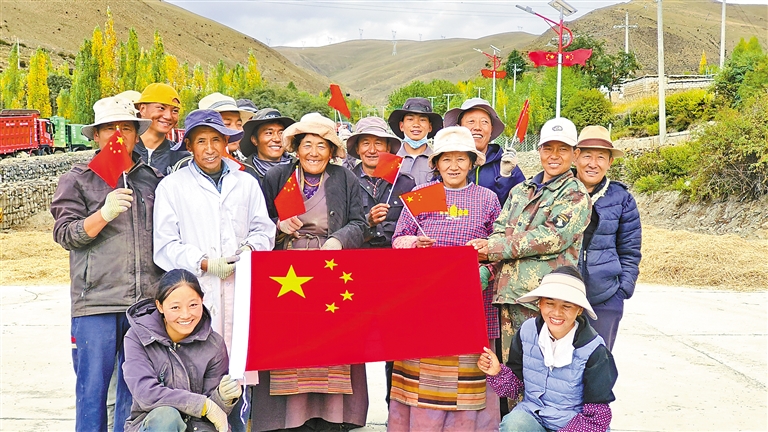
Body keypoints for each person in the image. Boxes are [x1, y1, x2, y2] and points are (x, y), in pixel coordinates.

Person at [50, 96, 162, 432]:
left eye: (126, 127)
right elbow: (65, 234)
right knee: (92, 393)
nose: (118, 135)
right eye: (109, 128)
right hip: (96, 303)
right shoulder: (78, 179)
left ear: (136, 134)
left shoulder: (152, 179)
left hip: (144, 305)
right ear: (96, 135)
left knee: (136, 391)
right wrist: (103, 213)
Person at [255, 112, 368, 432]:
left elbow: (359, 224)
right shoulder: (277, 176)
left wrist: (338, 240)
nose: (314, 152)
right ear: (296, 147)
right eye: (307, 145)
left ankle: (332, 416)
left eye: (322, 145)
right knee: (291, 345)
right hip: (285, 272)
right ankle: (289, 418)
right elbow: (257, 222)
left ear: (331, 151)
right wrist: (278, 226)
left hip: (331, 269)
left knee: (331, 347)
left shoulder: (345, 178)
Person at [388, 126, 502, 431]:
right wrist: (414, 243)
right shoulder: (421, 197)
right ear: (436, 163)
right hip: (424, 303)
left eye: (461, 159)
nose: (454, 166)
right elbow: (398, 239)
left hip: (471, 301)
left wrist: (485, 267)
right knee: (423, 374)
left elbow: (499, 246)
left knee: (467, 375)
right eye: (446, 159)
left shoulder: (488, 199)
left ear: (472, 162)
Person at [470, 117, 591, 374]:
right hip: (509, 297)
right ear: (539, 151)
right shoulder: (520, 191)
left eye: (563, 149)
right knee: (512, 371)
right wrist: (486, 259)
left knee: (543, 372)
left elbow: (552, 237)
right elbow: (499, 230)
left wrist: (493, 248)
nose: (554, 155)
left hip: (545, 301)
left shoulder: (575, 194)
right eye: (548, 148)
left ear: (575, 153)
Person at [153, 109, 275, 348]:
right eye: (201, 141)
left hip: (240, 283)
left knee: (240, 352)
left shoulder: (246, 182)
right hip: (196, 288)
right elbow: (165, 245)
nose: (209, 149)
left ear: (226, 141)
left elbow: (263, 229)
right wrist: (204, 263)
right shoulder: (172, 186)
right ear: (189, 145)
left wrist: (250, 249)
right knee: (199, 355)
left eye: (216, 139)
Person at [477, 267, 618, 432]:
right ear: (540, 303)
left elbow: (597, 415)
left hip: (575, 426)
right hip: (533, 416)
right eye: (550, 303)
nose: (557, 313)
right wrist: (497, 372)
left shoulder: (594, 350)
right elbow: (515, 388)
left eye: (567, 306)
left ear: (579, 309)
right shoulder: (527, 332)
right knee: (514, 423)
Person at [123, 269, 242, 432]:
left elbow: (214, 413)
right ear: (160, 306)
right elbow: (145, 394)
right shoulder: (137, 337)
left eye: (193, 305)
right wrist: (203, 405)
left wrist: (223, 398)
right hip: (153, 426)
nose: (185, 315)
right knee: (167, 417)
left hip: (198, 427)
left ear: (202, 301)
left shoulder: (214, 345)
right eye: (175, 307)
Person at [574, 125, 642, 350]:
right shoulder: (560, 192)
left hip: (605, 298)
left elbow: (630, 250)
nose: (593, 164)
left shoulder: (622, 198)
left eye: (601, 157)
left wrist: (622, 290)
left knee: (598, 361)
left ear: (610, 162)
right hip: (562, 297)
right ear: (576, 156)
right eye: (587, 156)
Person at [348, 116, 416, 249]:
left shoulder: (406, 183)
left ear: (388, 148)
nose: (372, 150)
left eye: (378, 143)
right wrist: (367, 221)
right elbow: (339, 228)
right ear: (357, 149)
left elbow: (415, 224)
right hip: (357, 254)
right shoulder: (346, 182)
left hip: (396, 254)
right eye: (365, 143)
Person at [444, 98, 526, 206]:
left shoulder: (507, 165)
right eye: (471, 121)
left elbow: (521, 205)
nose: (477, 127)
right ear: (458, 128)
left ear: (491, 129)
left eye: (484, 122)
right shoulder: (445, 163)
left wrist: (505, 177)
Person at [134, 83, 189, 175]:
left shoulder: (181, 157)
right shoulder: (124, 150)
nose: (168, 116)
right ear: (142, 109)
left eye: (175, 111)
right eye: (161, 108)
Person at [387, 97, 444, 185]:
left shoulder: (438, 162)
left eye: (422, 120)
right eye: (410, 119)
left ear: (430, 127)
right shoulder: (390, 162)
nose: (416, 124)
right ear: (401, 126)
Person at [239, 108, 296, 184]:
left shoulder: (299, 169)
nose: (277, 139)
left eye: (281, 133)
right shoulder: (242, 172)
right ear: (254, 140)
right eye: (269, 133)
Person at [198, 92, 255, 160]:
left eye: (239, 124)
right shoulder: (192, 164)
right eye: (227, 124)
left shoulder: (244, 162)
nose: (235, 130)